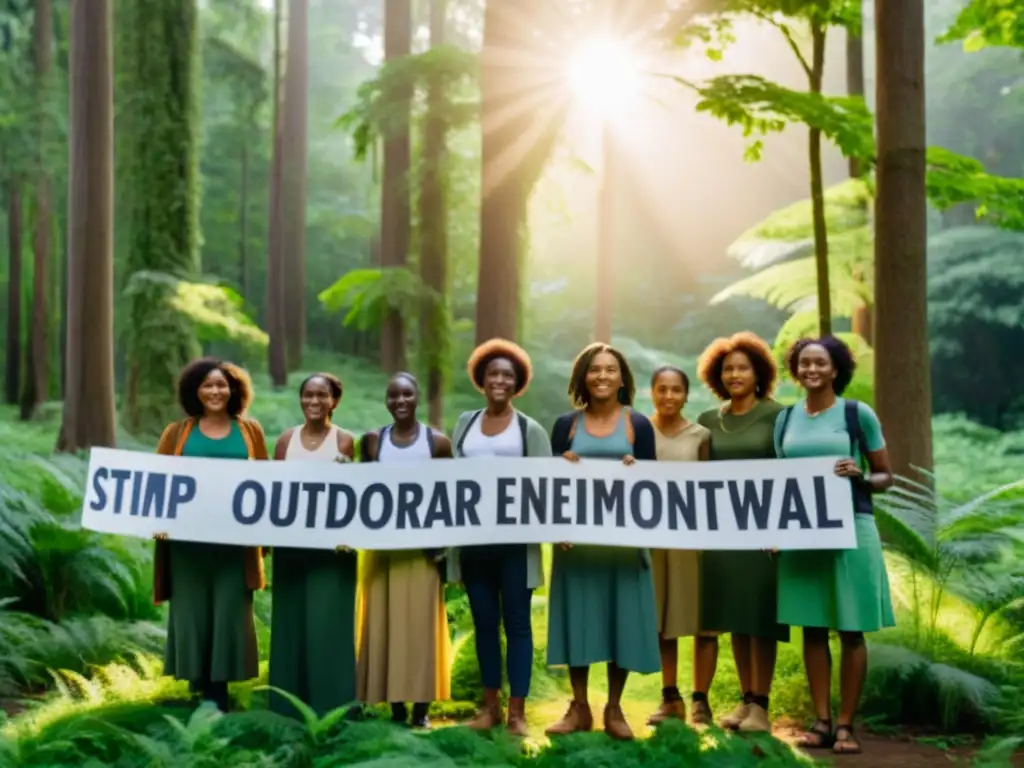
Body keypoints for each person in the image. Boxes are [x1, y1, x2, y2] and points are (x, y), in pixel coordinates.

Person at [775, 336, 895, 756]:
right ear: (796, 369)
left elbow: (885, 475)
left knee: (850, 628)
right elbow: (778, 483)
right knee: (811, 627)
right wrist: (775, 532)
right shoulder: (786, 419)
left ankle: (846, 725)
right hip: (802, 533)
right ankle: (821, 720)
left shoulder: (856, 414)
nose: (811, 369)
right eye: (804, 363)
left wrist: (858, 475)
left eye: (820, 363)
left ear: (836, 369)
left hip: (851, 529)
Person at [544, 342, 661, 741]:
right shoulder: (565, 426)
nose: (603, 377)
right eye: (595, 370)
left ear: (622, 378)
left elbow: (655, 489)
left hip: (623, 546)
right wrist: (563, 468)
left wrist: (637, 470)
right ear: (583, 377)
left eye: (611, 370)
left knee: (620, 621)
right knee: (578, 619)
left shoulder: (638, 425)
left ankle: (614, 706)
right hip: (576, 545)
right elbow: (550, 486)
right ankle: (579, 706)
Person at [447, 339, 552, 737]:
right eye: (493, 373)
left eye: (508, 374)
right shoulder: (465, 425)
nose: (500, 380)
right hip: (475, 544)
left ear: (518, 381)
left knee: (518, 625)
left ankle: (518, 713)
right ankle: (489, 707)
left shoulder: (529, 429)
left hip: (515, 546)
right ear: (481, 378)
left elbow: (548, 483)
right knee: (485, 623)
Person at [153, 358, 268, 712]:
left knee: (229, 612)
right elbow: (158, 483)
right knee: (192, 613)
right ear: (195, 391)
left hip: (234, 549)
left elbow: (267, 485)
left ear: (234, 390)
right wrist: (156, 521)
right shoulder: (177, 432)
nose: (215, 392)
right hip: (188, 549)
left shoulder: (250, 431)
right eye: (207, 385)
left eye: (222, 385)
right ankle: (197, 686)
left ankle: (219, 691)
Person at [692, 332, 788, 732]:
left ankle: (762, 707)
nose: (735, 374)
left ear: (759, 372)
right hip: (722, 534)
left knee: (760, 617)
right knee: (735, 616)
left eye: (742, 368)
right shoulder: (708, 420)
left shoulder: (779, 415)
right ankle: (746, 702)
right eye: (728, 368)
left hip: (763, 532)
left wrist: (782, 529)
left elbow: (789, 474)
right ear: (717, 374)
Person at [356, 372, 453, 728]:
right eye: (393, 395)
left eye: (407, 395)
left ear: (418, 398)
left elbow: (451, 498)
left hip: (423, 555)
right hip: (384, 555)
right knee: (385, 626)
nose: (400, 401)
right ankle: (395, 707)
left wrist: (444, 550)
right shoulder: (371, 442)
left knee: (421, 630)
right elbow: (360, 493)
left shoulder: (437, 444)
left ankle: (421, 711)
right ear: (386, 400)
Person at [269, 373, 358, 718]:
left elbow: (352, 496)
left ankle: (333, 706)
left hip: (331, 554)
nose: (314, 402)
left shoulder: (345, 441)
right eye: (308, 395)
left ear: (334, 401)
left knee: (329, 625)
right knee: (289, 625)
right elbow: (274, 493)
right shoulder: (285, 441)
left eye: (322, 395)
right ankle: (286, 707)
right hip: (291, 550)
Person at [646, 365, 710, 726]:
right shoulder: (639, 431)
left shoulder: (700, 436)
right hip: (653, 540)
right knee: (661, 620)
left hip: (690, 539)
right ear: (651, 392)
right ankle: (670, 697)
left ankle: (702, 698)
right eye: (662, 389)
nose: (668, 396)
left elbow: (710, 487)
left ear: (686, 395)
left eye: (676, 390)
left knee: (699, 618)